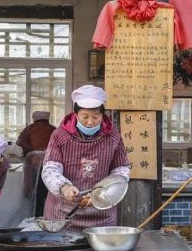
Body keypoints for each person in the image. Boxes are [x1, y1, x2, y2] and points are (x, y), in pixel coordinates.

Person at [41, 85, 130, 228]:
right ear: (76, 114)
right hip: (63, 213)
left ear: (103, 115)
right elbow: (50, 168)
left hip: (101, 213)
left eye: (96, 117)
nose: (90, 122)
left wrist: (101, 194)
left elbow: (121, 171)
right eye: (85, 117)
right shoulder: (60, 135)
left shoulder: (113, 136)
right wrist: (64, 188)